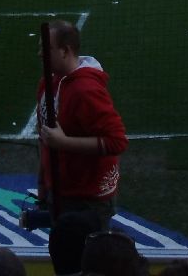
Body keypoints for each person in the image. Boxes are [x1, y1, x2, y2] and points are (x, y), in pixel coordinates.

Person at [36, 19, 128, 224]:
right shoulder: (48, 84)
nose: (40, 55)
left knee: (87, 254)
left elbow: (117, 141)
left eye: (46, 49)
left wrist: (63, 143)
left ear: (65, 51)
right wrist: (43, 184)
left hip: (88, 200)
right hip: (59, 191)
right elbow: (45, 139)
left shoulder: (86, 91)